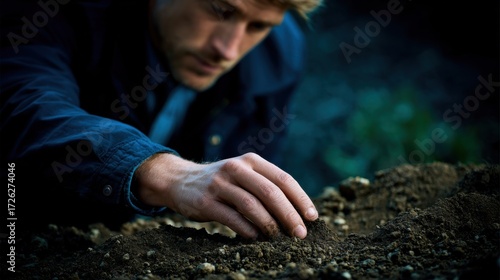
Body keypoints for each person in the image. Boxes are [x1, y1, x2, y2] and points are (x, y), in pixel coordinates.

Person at [0, 0, 322, 240]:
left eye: (258, 26)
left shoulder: (280, 51)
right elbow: (25, 104)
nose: (227, 49)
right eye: (220, 10)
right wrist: (162, 173)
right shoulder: (59, 11)